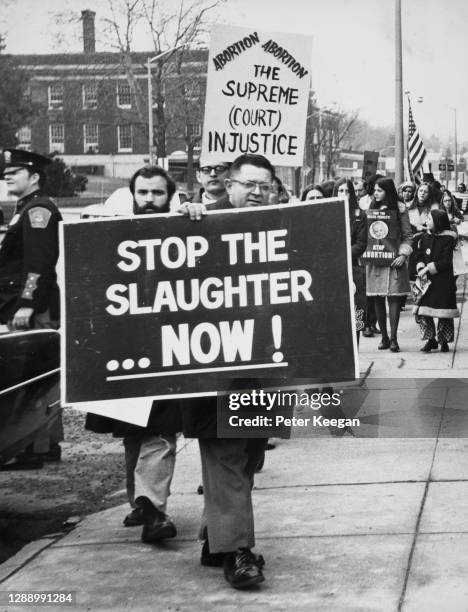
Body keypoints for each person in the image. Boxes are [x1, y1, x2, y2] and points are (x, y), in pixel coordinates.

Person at [180, 154, 277, 589]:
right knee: (227, 455)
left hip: (266, 368)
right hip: (214, 370)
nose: (258, 192)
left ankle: (213, 537)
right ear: (229, 184)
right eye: (249, 184)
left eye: (266, 185)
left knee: (249, 457)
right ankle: (238, 552)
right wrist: (185, 219)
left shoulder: (288, 223)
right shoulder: (200, 222)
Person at [85, 166, 182, 543]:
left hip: (169, 348)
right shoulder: (109, 235)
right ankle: (139, 501)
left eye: (158, 193)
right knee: (132, 432)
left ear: (169, 197)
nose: (149, 201)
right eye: (143, 193)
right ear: (132, 194)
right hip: (125, 350)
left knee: (160, 431)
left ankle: (154, 510)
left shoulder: (182, 231)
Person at [0, 149, 63, 470]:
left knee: (34, 374)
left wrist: (26, 303)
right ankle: (44, 444)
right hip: (26, 303)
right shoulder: (25, 208)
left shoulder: (39, 210)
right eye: (7, 172)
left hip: (33, 305)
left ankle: (38, 447)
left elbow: (39, 264)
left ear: (34, 177)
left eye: (15, 172)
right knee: (36, 373)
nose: (8, 176)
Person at [366, 177, 413, 352]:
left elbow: (408, 235)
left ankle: (394, 338)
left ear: (387, 191)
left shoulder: (400, 209)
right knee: (377, 298)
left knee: (394, 298)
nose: (375, 193)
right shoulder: (370, 208)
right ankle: (384, 337)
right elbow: (367, 234)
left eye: (379, 190)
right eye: (375, 190)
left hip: (394, 260)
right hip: (376, 259)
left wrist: (403, 254)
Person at [413, 209, 459, 352]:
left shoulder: (449, 239)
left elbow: (446, 261)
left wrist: (428, 268)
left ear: (438, 222)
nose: (427, 221)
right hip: (426, 281)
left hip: (443, 281)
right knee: (423, 312)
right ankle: (430, 339)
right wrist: (420, 265)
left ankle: (443, 340)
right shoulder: (425, 237)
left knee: (443, 313)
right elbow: (419, 255)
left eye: (430, 219)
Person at [333, 178, 367, 342]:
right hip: (331, 269)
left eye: (347, 191)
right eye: (340, 191)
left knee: (356, 316)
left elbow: (361, 244)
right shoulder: (327, 213)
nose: (344, 194)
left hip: (353, 269)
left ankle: (355, 357)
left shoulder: (359, 215)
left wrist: (341, 254)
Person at [407, 182, 439, 282]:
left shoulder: (434, 207)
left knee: (424, 264)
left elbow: (437, 225)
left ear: (429, 194)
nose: (422, 193)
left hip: (427, 240)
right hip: (411, 240)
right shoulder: (408, 206)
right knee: (412, 267)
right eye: (420, 191)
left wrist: (424, 228)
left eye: (426, 192)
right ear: (417, 192)